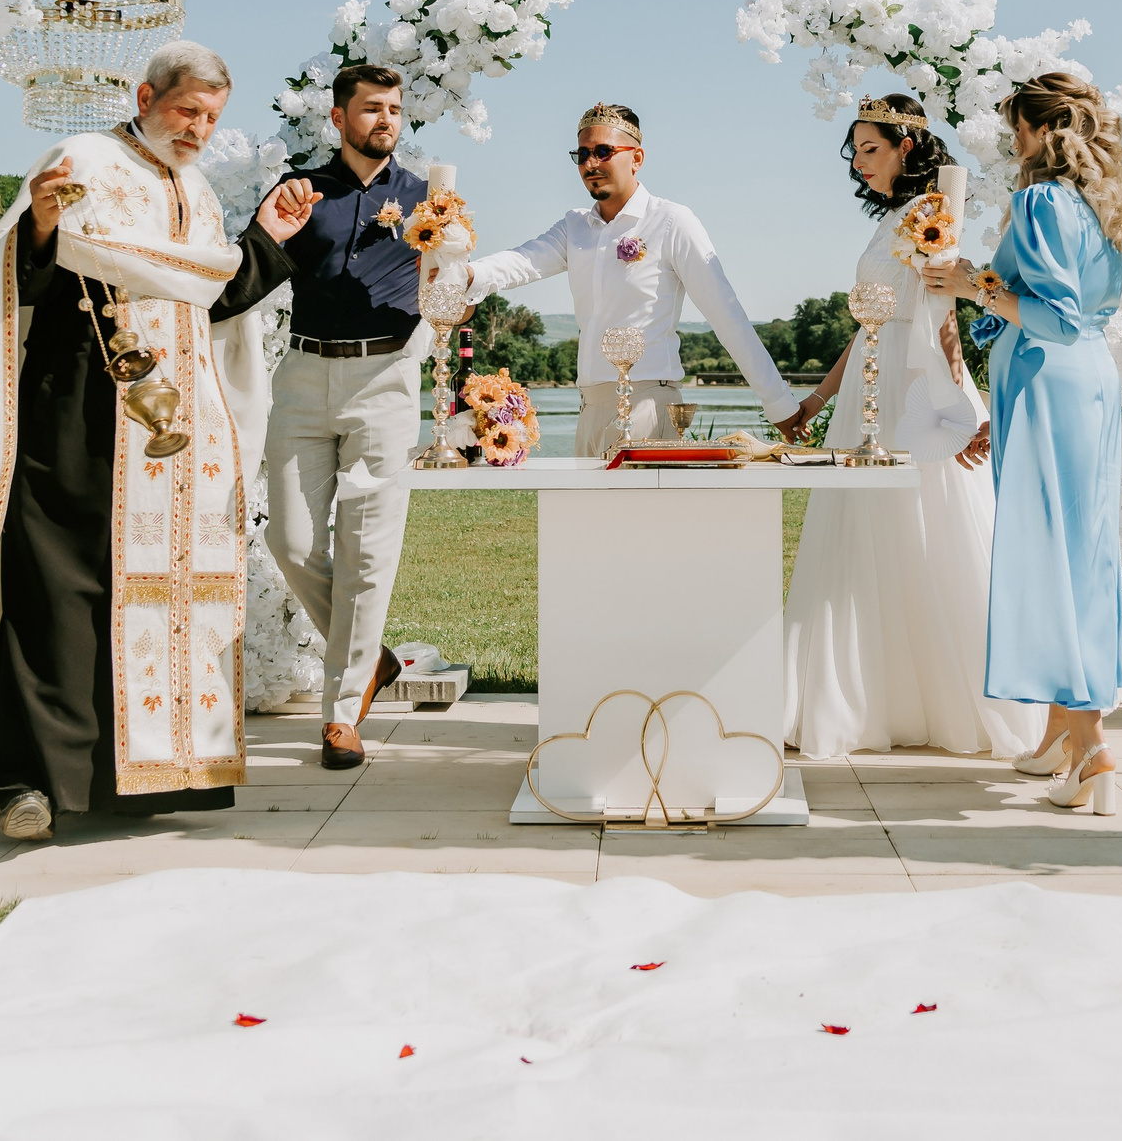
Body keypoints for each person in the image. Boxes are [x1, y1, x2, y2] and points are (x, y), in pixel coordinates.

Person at [0, 42, 314, 841]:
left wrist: (264, 238)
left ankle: (144, 781)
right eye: (188, 110)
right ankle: (35, 784)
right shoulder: (83, 158)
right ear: (147, 94)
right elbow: (20, 276)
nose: (198, 129)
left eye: (213, 118)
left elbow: (212, 299)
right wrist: (43, 226)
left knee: (160, 597)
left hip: (176, 433)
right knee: (57, 594)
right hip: (80, 405)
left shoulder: (196, 190)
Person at [774, 95, 1043, 760]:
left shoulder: (931, 216)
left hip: (912, 387)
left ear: (907, 147)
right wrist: (815, 400)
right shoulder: (890, 221)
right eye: (856, 150)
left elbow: (944, 315)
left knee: (927, 527)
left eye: (872, 148)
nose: (860, 162)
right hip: (866, 383)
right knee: (855, 536)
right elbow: (867, 324)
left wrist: (963, 406)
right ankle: (865, 696)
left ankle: (948, 697)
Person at [923, 72, 1122, 813]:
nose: (1011, 144)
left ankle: (1094, 746)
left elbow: (1049, 315)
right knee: (1081, 549)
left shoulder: (1042, 201)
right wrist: (984, 286)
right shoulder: (1104, 207)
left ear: (1044, 132)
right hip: (1086, 384)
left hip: (1049, 382)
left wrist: (966, 282)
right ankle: (1058, 735)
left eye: (1016, 128)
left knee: (1052, 557)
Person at [262, 64, 432, 770]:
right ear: (338, 118)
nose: (385, 119)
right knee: (292, 542)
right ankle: (373, 660)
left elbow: (452, 279)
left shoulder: (429, 197)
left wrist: (456, 278)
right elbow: (250, 265)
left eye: (394, 108)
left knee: (368, 553)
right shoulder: (302, 190)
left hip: (385, 377)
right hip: (302, 375)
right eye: (370, 108)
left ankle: (341, 715)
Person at [465, 102, 800, 454]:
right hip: (589, 409)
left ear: (636, 158)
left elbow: (726, 315)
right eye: (582, 154)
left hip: (648, 409)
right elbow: (522, 260)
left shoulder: (671, 221)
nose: (590, 164)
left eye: (603, 152)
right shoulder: (574, 226)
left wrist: (779, 403)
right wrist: (466, 273)